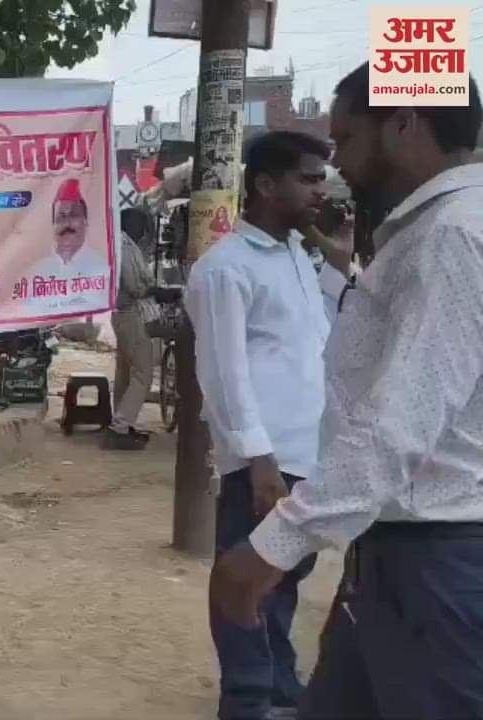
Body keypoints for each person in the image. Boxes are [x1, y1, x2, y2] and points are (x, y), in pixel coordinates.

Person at [211, 64, 483, 720]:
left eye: (346, 143)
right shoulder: (426, 232)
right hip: (391, 554)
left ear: (405, 124)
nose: (338, 171)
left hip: (432, 565)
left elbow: (402, 420)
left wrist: (273, 546)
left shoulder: (452, 234)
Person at [186, 129, 349, 720]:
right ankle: (250, 699)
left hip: (307, 456)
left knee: (281, 587)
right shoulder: (226, 268)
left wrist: (338, 255)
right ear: (264, 184)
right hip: (265, 462)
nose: (319, 189)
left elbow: (323, 339)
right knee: (245, 585)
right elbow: (223, 375)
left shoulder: (298, 258)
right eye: (307, 178)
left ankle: (279, 691)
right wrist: (257, 461)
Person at [104, 207, 167, 451]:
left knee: (125, 372)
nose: (144, 232)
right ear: (132, 224)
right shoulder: (123, 246)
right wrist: (159, 291)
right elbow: (135, 286)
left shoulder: (124, 244)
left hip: (121, 313)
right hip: (128, 313)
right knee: (143, 372)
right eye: (142, 226)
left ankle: (119, 423)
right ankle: (120, 426)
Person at [31, 178, 105, 280]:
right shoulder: (38, 272)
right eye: (61, 217)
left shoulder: (102, 269)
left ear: (85, 222)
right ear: (53, 224)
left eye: (73, 215)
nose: (66, 223)